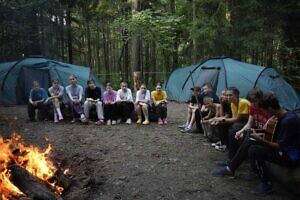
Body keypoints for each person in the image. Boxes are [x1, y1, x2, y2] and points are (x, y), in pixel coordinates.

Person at [212, 88, 273, 177]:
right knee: (235, 132)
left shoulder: (267, 110)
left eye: (254, 102)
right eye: (251, 102)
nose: (252, 105)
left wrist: (250, 133)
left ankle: (232, 167)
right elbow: (249, 124)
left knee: (247, 140)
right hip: (256, 130)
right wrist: (241, 131)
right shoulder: (252, 107)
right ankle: (231, 160)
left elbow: (267, 130)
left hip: (263, 135)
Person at [248, 93, 300, 194]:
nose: (262, 112)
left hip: (292, 157)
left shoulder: (288, 121)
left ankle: (266, 183)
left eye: (263, 109)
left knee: (255, 150)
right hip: (285, 150)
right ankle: (255, 172)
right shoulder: (283, 116)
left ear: (270, 109)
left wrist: (259, 140)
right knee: (249, 142)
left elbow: (279, 146)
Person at [212, 87, 250, 152]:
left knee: (233, 128)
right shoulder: (232, 103)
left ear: (236, 95)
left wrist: (222, 120)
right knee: (222, 124)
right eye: (227, 95)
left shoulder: (242, 102)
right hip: (240, 121)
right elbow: (234, 117)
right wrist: (220, 120)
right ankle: (224, 144)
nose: (228, 97)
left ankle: (232, 149)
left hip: (248, 122)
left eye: (230, 95)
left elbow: (237, 119)